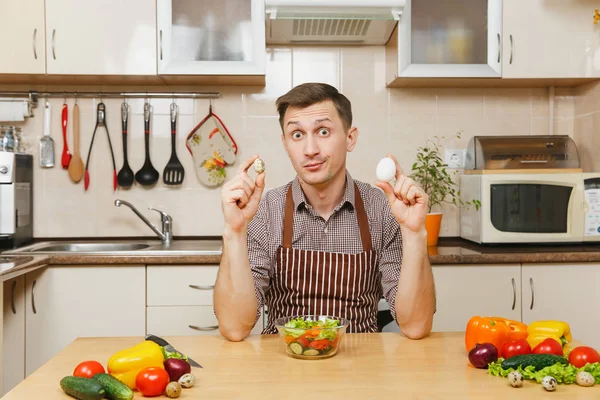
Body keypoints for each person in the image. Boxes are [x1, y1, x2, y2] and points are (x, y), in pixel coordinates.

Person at [214, 82, 436, 342]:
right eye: (297, 135)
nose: (310, 150)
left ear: (350, 138)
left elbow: (416, 326)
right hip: (283, 365)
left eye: (323, 131)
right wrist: (234, 232)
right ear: (285, 143)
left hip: (362, 365)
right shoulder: (265, 211)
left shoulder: (382, 209)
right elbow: (234, 328)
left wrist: (414, 233)